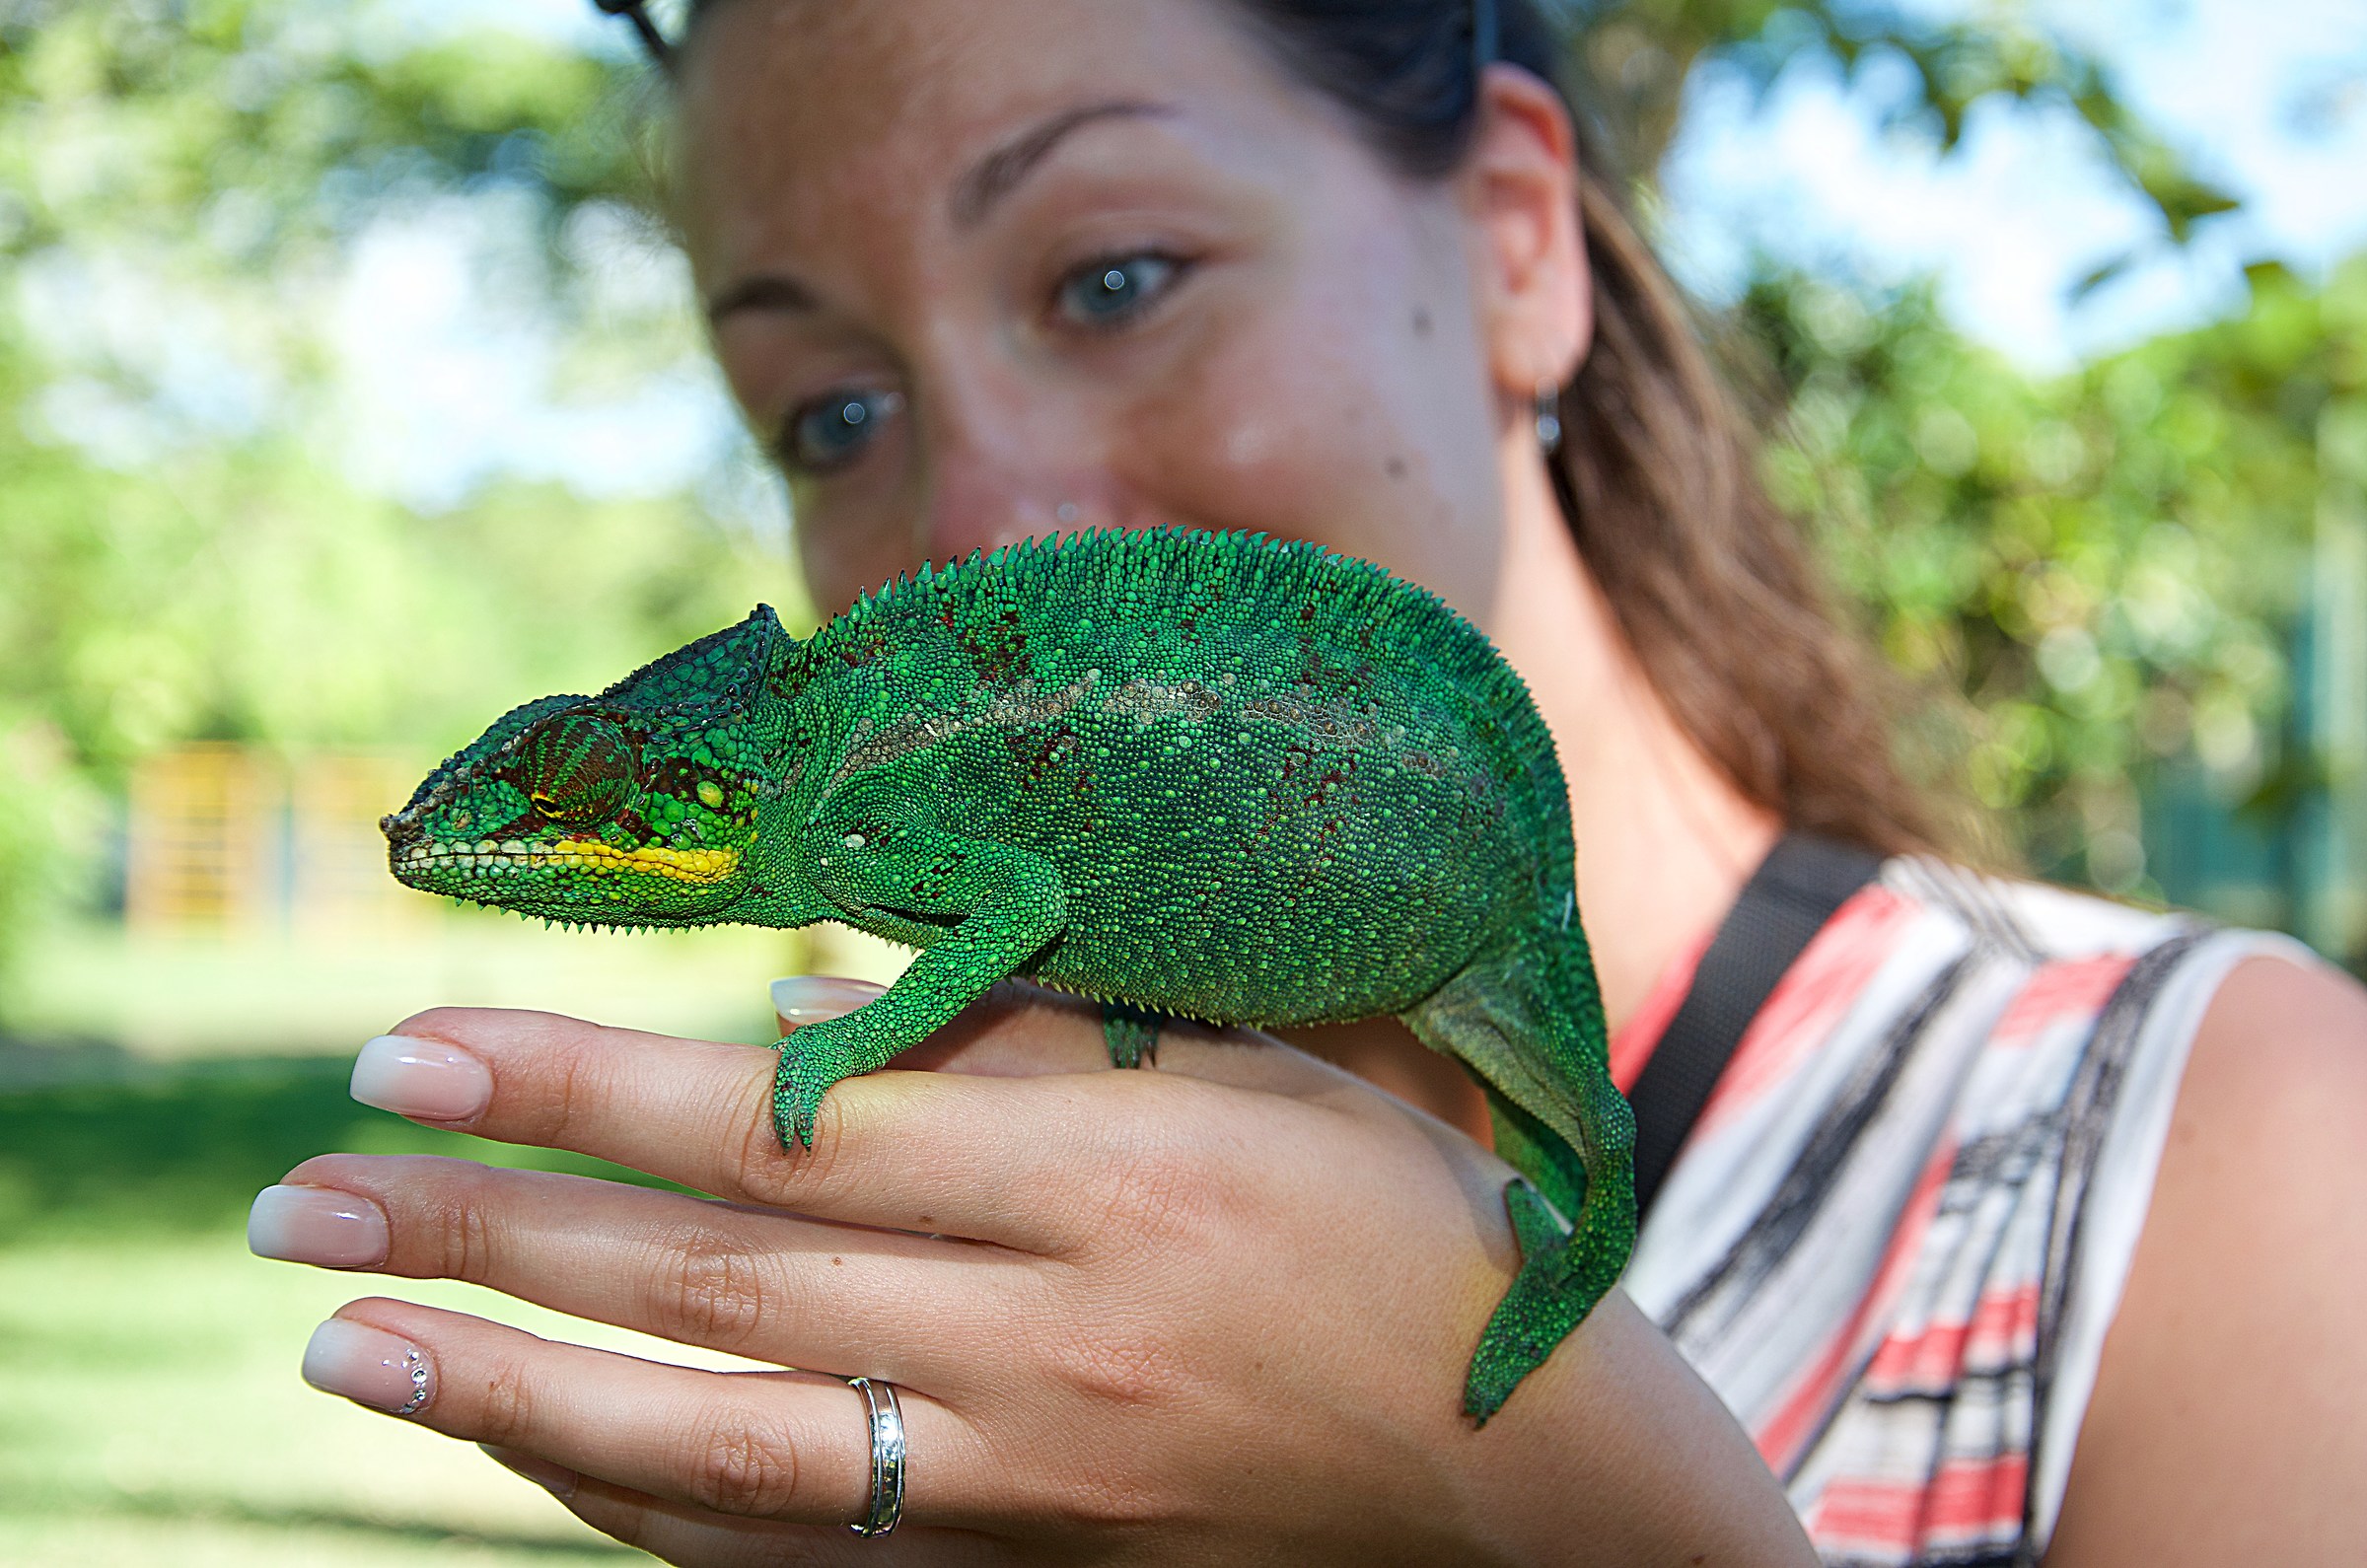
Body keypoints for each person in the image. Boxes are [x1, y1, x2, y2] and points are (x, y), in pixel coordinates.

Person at [243, 0, 2367, 1561]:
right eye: (828, 413)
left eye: (1113, 278)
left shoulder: (2225, 1141)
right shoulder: (980, 1224)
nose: (987, 513)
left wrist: (1550, 1507)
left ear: (1520, 243)